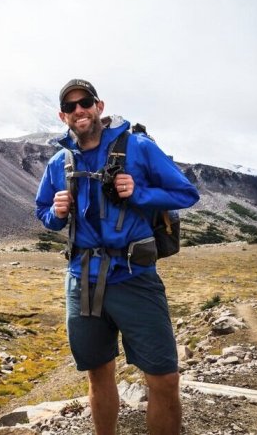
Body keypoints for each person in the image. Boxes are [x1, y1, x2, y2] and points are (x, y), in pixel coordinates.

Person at [35, 79, 199, 435]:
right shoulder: (59, 162)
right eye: (72, 106)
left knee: (165, 377)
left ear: (100, 106)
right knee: (98, 372)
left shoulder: (138, 147)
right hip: (82, 282)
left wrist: (139, 191)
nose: (80, 110)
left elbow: (186, 193)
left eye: (86, 102)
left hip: (134, 277)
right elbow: (44, 213)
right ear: (63, 116)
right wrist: (56, 213)